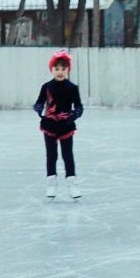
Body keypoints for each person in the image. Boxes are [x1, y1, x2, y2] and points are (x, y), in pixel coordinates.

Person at [32, 49, 85, 199]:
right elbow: (40, 102)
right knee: (51, 155)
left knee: (67, 154)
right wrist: (38, 109)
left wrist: (74, 116)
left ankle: (72, 184)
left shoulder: (72, 88)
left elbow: (79, 107)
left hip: (66, 125)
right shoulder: (46, 87)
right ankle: (51, 184)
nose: (60, 72)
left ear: (68, 69)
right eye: (57, 69)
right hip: (49, 124)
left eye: (63, 68)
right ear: (51, 70)